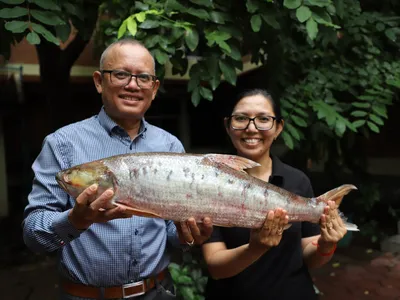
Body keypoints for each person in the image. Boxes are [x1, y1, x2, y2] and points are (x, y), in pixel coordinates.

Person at [22, 38, 212, 300]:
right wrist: (75, 220)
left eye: (143, 77)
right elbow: (33, 234)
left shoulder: (170, 145)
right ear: (99, 81)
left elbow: (170, 230)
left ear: (154, 88)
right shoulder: (62, 143)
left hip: (157, 293)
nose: (133, 85)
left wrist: (187, 236)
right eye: (121, 74)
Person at [202, 89, 348, 300]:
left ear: (278, 127)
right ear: (228, 126)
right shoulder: (209, 183)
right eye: (241, 118)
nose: (251, 128)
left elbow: (310, 256)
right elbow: (216, 267)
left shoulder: (297, 181)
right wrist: (255, 248)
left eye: (263, 119)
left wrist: (326, 245)